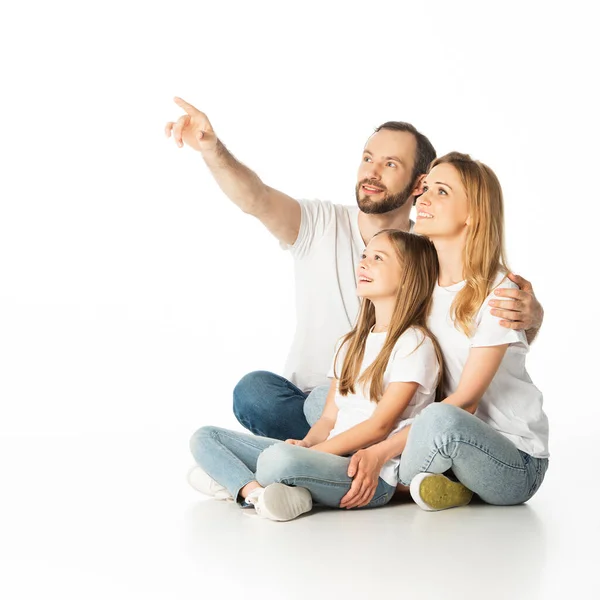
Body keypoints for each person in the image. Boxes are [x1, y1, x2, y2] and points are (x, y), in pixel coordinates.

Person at [165, 98, 544, 441]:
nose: (372, 172)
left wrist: (531, 316)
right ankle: (337, 450)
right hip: (315, 398)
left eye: (390, 164)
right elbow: (255, 198)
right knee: (258, 394)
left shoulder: (431, 249)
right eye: (368, 158)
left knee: (377, 411)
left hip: (389, 403)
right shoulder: (318, 223)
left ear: (418, 185)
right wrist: (212, 150)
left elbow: (479, 308)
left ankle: (337, 455)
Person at [338, 152, 549, 512]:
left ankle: (371, 480)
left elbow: (465, 403)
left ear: (472, 214)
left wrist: (379, 449)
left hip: (511, 458)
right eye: (425, 190)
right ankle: (435, 483)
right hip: (436, 434)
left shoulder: (497, 293)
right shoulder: (420, 280)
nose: (423, 199)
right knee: (326, 400)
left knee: (440, 418)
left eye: (442, 191)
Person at [188, 230, 441, 521]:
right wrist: (307, 444)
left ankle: (233, 480)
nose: (363, 264)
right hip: (327, 457)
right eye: (364, 256)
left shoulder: (414, 343)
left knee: (276, 461)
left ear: (408, 276)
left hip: (368, 474)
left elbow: (379, 427)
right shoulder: (350, 343)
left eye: (378, 258)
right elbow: (328, 419)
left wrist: (314, 454)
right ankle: (256, 494)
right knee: (204, 437)